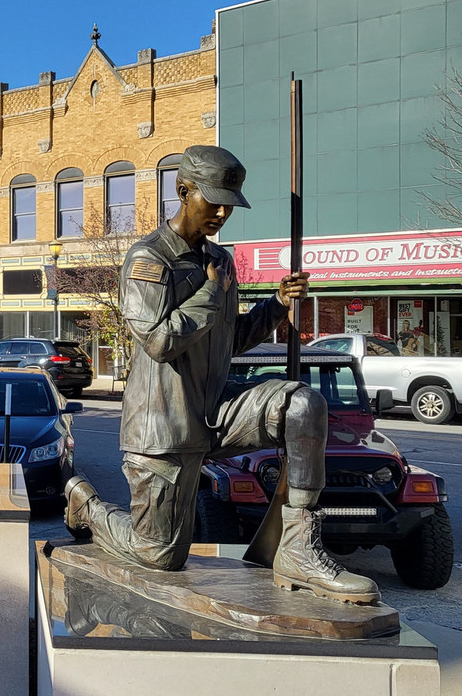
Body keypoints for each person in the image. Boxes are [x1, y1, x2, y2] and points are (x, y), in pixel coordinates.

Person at [64, 145, 379, 604]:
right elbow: (159, 341)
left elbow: (229, 339)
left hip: (217, 410)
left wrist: (277, 304)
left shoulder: (222, 261)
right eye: (212, 200)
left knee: (304, 405)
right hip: (164, 426)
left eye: (228, 203)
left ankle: (298, 550)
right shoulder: (149, 261)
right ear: (182, 190)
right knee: (161, 555)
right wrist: (210, 293)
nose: (221, 213)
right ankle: (89, 507)